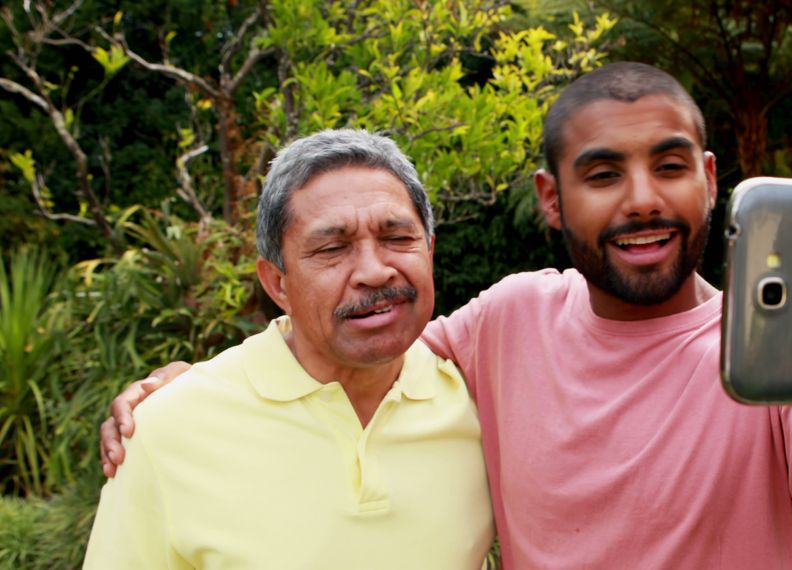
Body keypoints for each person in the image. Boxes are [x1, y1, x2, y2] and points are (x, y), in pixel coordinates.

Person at [100, 63, 792, 568]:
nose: (642, 199)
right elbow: (355, 352)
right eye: (602, 173)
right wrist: (199, 392)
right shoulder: (504, 322)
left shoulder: (769, 360)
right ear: (552, 199)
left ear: (708, 177)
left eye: (667, 164)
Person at [84, 129, 494, 568]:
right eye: (332, 248)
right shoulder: (167, 428)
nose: (374, 272)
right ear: (277, 283)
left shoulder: (484, 404)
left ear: (429, 251)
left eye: (397, 239)